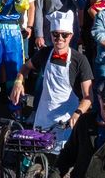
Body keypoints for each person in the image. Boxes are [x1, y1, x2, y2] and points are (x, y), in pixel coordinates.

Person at [11, 10, 93, 142]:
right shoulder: (44, 53)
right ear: (51, 35)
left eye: (64, 35)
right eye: (56, 35)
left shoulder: (80, 60)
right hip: (44, 116)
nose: (60, 39)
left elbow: (88, 97)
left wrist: (78, 113)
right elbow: (26, 67)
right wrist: (18, 82)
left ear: (71, 36)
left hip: (67, 119)